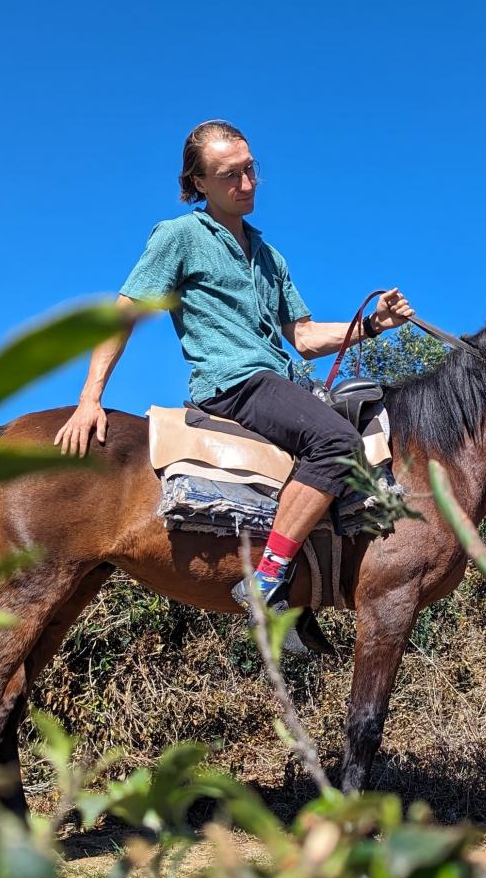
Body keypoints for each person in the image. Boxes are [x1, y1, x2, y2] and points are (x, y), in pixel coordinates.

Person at [56, 119, 414, 615]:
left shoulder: (271, 257)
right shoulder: (180, 236)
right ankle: (266, 582)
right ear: (199, 183)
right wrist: (89, 398)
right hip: (233, 383)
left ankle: (311, 592)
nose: (246, 185)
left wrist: (372, 324)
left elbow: (304, 339)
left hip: (282, 381)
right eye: (229, 175)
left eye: (250, 170)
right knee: (337, 443)